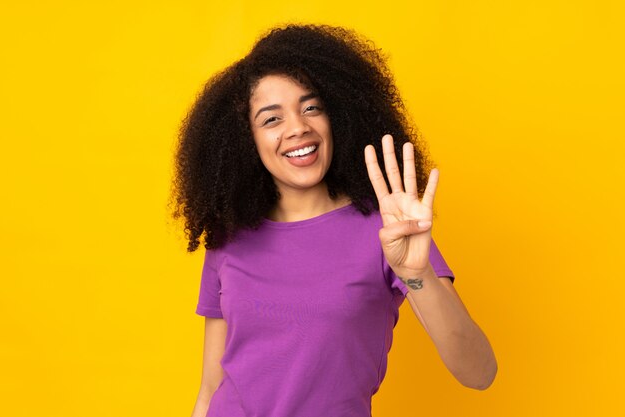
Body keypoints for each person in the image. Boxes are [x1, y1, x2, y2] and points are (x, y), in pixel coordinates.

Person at [172, 24, 497, 417]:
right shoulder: (230, 237)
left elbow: (479, 372)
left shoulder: (386, 228)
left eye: (311, 107)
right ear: (246, 140)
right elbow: (210, 389)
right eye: (271, 119)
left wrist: (417, 273)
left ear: (338, 116)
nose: (298, 128)